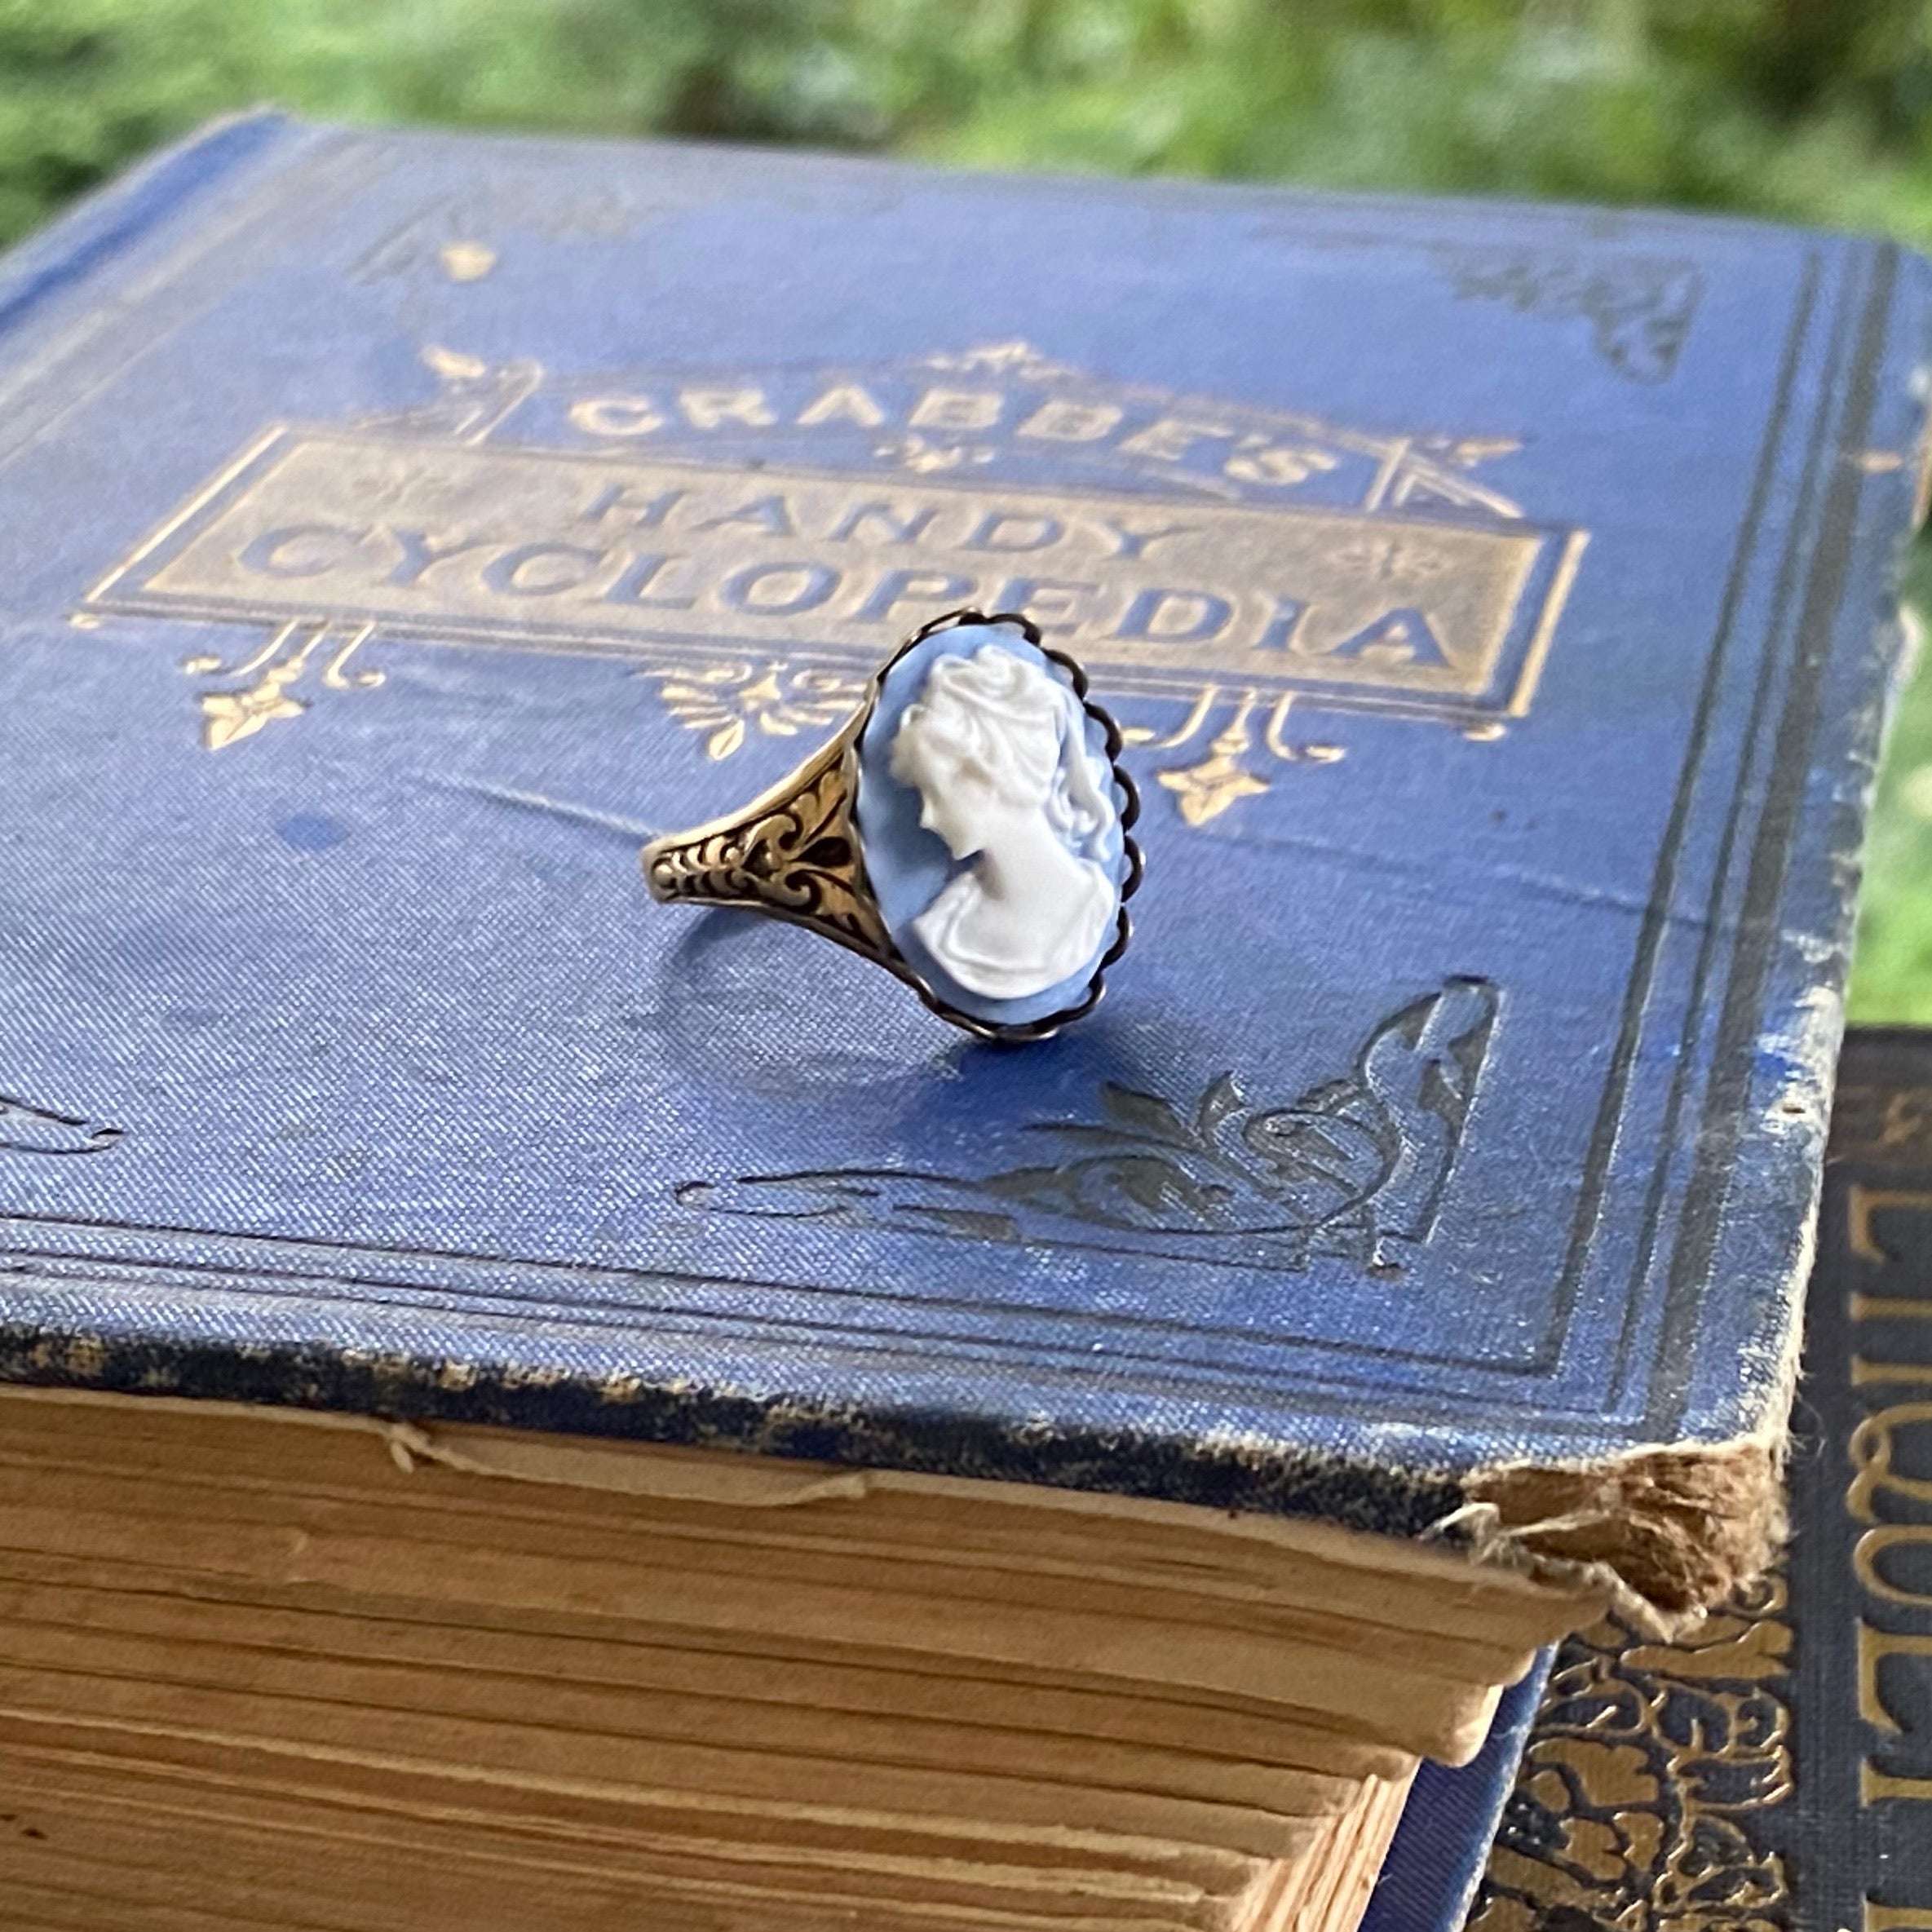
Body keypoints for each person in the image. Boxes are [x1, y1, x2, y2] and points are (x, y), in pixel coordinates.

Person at [889, 643, 1117, 1001]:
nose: (926, 817)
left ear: (988, 778)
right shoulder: (944, 929)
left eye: (936, 792)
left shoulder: (1094, 906)